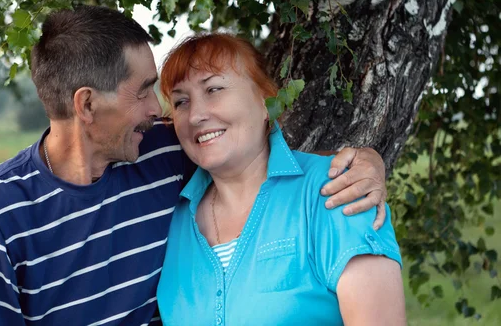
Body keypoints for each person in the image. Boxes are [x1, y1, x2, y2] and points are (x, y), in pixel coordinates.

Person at [0, 6, 390, 326]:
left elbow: (245, 147)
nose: (160, 108)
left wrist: (367, 163)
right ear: (86, 104)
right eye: (145, 91)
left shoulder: (164, 153)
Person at [156, 34, 406, 325]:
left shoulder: (336, 191)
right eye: (181, 102)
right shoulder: (171, 220)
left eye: (213, 89)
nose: (196, 115)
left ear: (266, 102)